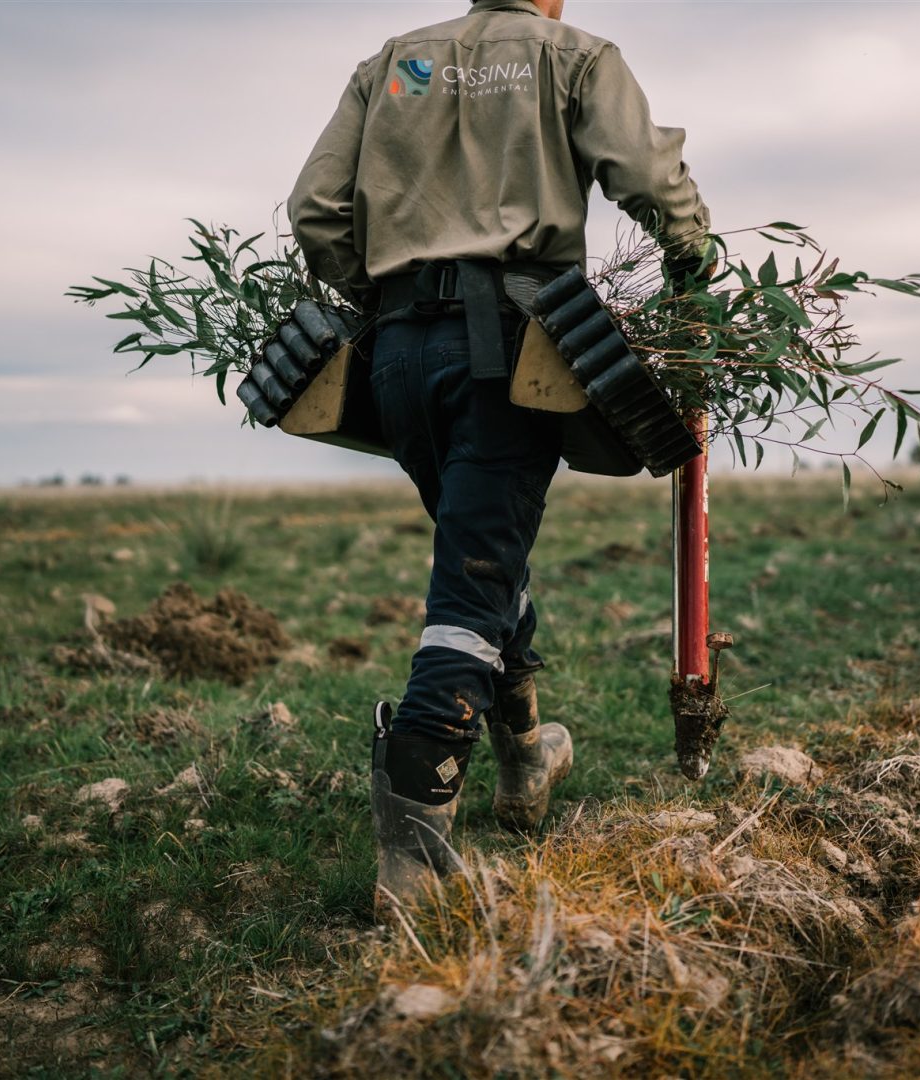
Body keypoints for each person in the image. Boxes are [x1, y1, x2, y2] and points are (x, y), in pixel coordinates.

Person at [288, 0, 712, 911]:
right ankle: (411, 856)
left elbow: (315, 212)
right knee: (470, 592)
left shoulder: (394, 61)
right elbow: (644, 173)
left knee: (480, 549)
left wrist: (389, 292)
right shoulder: (575, 56)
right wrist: (694, 262)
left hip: (397, 357)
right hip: (508, 354)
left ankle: (523, 752)